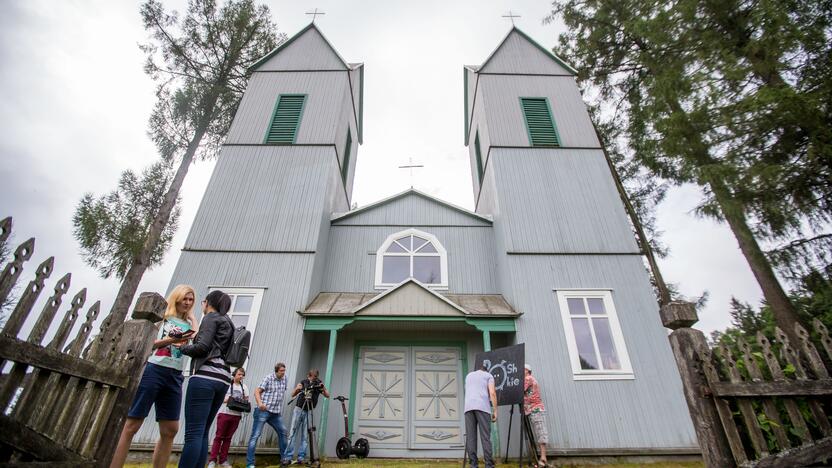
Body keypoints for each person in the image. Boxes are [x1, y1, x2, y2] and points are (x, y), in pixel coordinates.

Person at [110, 284, 197, 468]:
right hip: (155, 369)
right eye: (185, 299)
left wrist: (193, 319)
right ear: (176, 298)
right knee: (132, 424)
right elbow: (149, 343)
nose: (188, 303)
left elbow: (195, 339)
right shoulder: (163, 319)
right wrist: (171, 340)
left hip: (175, 375)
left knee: (170, 429)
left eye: (191, 300)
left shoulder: (189, 324)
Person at [178, 290, 234, 468]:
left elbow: (202, 347)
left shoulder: (211, 317)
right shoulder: (229, 322)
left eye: (203, 301)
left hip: (206, 376)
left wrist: (181, 347)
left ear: (209, 303)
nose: (202, 304)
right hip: (223, 378)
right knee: (202, 432)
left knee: (193, 433)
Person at [247, 362, 289, 468]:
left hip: (275, 413)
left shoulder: (285, 379)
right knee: (255, 435)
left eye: (284, 371)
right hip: (263, 411)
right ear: (276, 371)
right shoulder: (268, 378)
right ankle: (250, 464)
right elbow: (257, 391)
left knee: (283, 431)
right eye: (281, 371)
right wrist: (260, 403)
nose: (283, 373)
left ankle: (284, 460)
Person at [285, 368, 330, 464]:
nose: (312, 380)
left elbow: (327, 395)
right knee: (293, 433)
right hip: (299, 409)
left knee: (305, 436)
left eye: (314, 378)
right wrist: (297, 388)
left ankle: (301, 457)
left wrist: (323, 388)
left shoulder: (318, 383)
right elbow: (292, 394)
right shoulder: (303, 382)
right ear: (308, 376)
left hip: (309, 410)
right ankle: (288, 457)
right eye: (311, 377)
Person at [208, 367, 249, 468]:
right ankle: (212, 460)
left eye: (242, 375)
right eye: (239, 374)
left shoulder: (244, 387)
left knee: (228, 438)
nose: (241, 376)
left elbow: (246, 400)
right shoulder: (226, 385)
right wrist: (229, 399)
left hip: (236, 415)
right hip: (224, 413)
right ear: (234, 374)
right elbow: (220, 397)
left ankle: (223, 461)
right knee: (219, 437)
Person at [464, 363, 497, 468]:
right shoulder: (488, 375)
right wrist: (495, 410)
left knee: (471, 437)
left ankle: (473, 464)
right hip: (482, 407)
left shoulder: (469, 376)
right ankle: (489, 465)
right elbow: (492, 393)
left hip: (468, 407)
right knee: (485, 437)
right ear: (486, 370)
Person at [524, 364, 549, 467]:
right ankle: (541, 459)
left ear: (528, 371)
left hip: (536, 409)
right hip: (532, 410)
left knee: (540, 432)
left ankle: (543, 458)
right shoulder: (528, 379)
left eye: (523, 369)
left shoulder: (528, 378)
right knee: (538, 432)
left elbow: (520, 389)